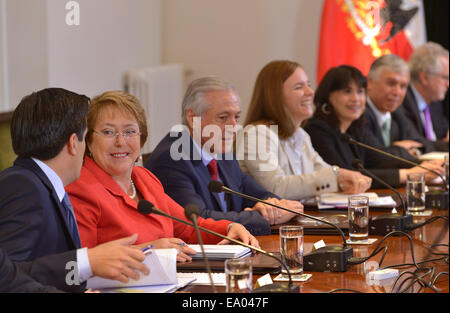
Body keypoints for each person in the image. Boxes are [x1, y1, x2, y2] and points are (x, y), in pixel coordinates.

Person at [66, 90, 258, 263]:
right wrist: (149, 251)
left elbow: (188, 227)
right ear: (88, 140)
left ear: (142, 139)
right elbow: (85, 262)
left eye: (129, 131)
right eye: (108, 132)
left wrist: (229, 228)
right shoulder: (80, 189)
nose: (120, 141)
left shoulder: (144, 178)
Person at [0, 88, 149, 292]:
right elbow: (8, 277)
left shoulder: (40, 183)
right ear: (73, 143)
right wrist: (86, 261)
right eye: (85, 137)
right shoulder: (24, 186)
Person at [145, 76, 304, 236]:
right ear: (193, 118)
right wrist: (262, 216)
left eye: (236, 117)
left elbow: (254, 193)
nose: (233, 127)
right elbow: (198, 220)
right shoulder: (171, 159)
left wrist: (273, 206)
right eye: (223, 118)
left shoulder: (222, 151)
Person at [236, 60, 372, 200]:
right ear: (275, 96)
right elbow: (276, 188)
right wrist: (336, 176)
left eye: (309, 85)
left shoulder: (301, 135)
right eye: (299, 87)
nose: (310, 92)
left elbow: (324, 171)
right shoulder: (258, 134)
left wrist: (346, 179)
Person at [304, 65, 444, 188]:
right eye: (347, 91)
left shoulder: (354, 129)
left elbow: (381, 159)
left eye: (360, 92)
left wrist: (427, 164)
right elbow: (348, 177)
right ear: (328, 96)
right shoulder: (317, 131)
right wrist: (408, 174)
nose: (356, 99)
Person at [365, 54, 434, 158]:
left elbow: (425, 144)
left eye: (403, 86)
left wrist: (414, 151)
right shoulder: (359, 113)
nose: (397, 92)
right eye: (391, 83)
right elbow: (375, 158)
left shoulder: (397, 113)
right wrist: (399, 149)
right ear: (370, 82)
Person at [402, 42, 449, 151]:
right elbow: (416, 142)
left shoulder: (434, 101)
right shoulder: (402, 101)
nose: (448, 84)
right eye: (445, 78)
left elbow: (443, 129)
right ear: (425, 78)